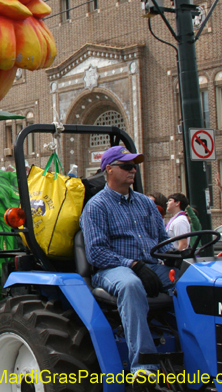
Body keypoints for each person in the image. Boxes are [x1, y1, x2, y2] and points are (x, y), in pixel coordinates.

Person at [80, 145, 175, 379]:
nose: (133, 170)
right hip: (112, 269)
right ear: (109, 169)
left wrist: (175, 257)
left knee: (190, 281)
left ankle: (197, 353)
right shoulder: (96, 206)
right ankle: (144, 368)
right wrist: (134, 265)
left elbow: (162, 241)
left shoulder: (145, 203)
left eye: (135, 166)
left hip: (149, 266)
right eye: (127, 166)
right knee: (131, 285)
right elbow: (97, 253)